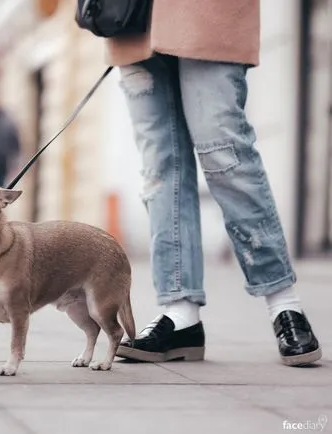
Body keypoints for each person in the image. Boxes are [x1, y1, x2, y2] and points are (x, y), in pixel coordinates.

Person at [103, 0, 321, 366]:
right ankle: (180, 313)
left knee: (225, 153)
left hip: (209, 14)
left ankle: (285, 304)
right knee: (159, 170)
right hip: (130, 19)